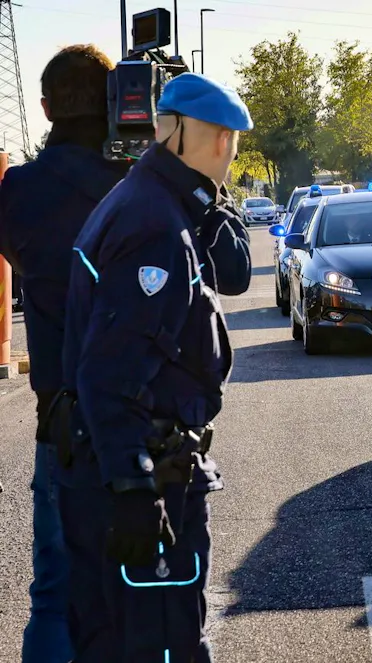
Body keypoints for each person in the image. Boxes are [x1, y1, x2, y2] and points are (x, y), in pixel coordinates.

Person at [56, 72, 252, 663]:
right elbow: (109, 373)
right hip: (145, 478)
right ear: (217, 139)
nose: (231, 155)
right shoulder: (155, 225)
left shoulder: (147, 200)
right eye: (232, 142)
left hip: (124, 470)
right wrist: (136, 488)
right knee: (158, 646)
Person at [0, 44, 131, 663]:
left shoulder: (20, 190)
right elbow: (227, 273)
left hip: (64, 422)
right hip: (148, 418)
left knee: (54, 593)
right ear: (118, 103)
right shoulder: (145, 182)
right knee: (152, 586)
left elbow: (22, 263)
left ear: (46, 107)